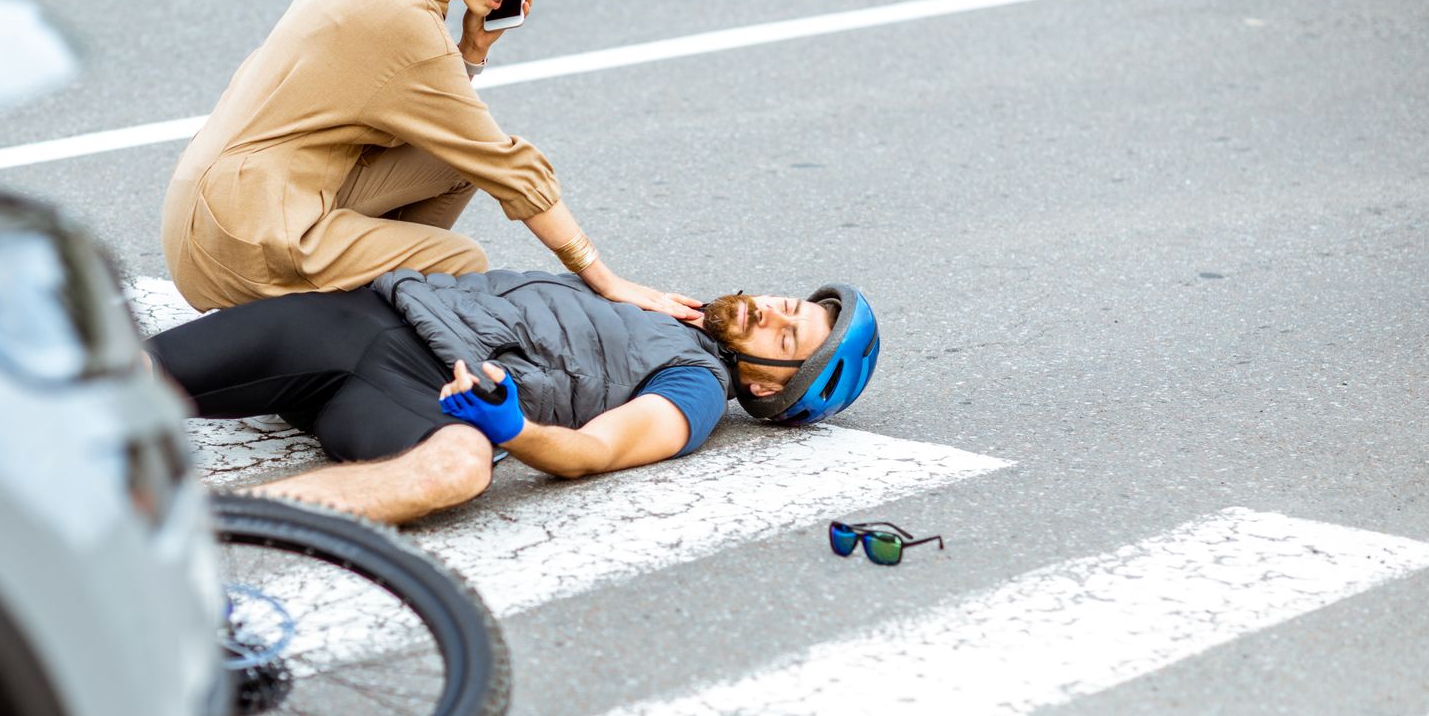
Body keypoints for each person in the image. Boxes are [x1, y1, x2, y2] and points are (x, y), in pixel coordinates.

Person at [159, 0, 699, 324]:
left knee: (451, 167)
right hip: (242, 233)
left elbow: (438, 126)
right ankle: (358, 326)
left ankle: (363, 306)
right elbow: (503, 163)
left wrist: (472, 51)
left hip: (226, 204)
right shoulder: (401, 18)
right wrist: (606, 279)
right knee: (458, 265)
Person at [145, 269, 880, 524]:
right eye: (787, 304)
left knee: (461, 467)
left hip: (427, 397)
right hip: (362, 317)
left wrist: (511, 426)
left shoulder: (696, 387)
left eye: (789, 339)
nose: (774, 315)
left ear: (761, 384)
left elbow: (593, 450)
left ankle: (200, 522)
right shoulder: (660, 300)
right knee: (113, 382)